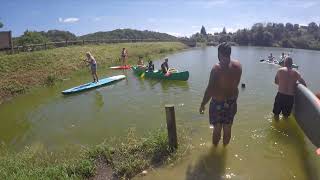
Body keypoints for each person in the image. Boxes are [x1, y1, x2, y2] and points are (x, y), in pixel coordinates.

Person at [199, 42, 242, 146]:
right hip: (231, 101)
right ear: (229, 53)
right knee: (228, 128)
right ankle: (224, 150)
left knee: (217, 128)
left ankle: (214, 151)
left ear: (219, 54)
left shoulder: (216, 68)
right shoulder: (238, 65)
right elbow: (236, 85)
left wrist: (203, 104)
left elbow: (210, 89)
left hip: (218, 103)